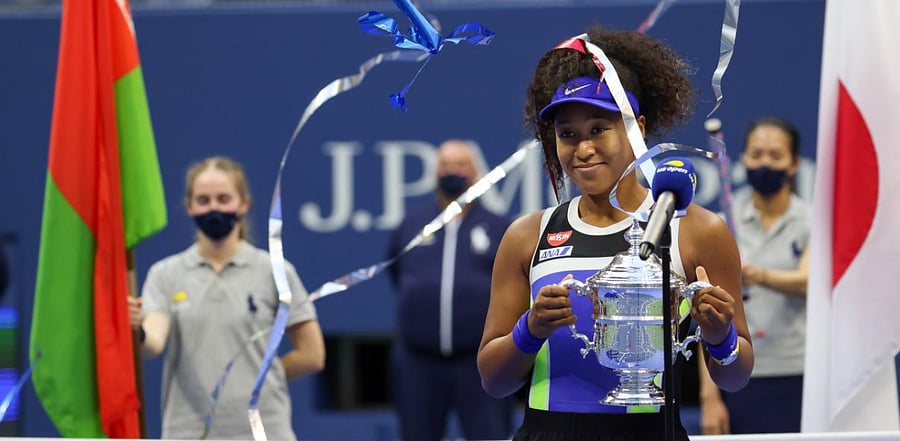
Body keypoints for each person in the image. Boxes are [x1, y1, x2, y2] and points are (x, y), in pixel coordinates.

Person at [476, 26, 755, 441]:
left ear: (636, 128)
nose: (582, 148)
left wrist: (720, 337)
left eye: (598, 129)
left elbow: (735, 378)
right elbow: (494, 382)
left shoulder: (698, 230)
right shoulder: (526, 236)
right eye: (567, 134)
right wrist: (530, 328)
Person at [128, 156, 325, 440]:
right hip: (190, 431)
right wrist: (138, 329)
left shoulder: (275, 271)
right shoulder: (166, 274)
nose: (214, 208)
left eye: (223, 198)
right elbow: (153, 344)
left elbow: (312, 355)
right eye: (204, 200)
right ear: (189, 206)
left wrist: (257, 377)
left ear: (243, 203)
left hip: (264, 430)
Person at [386, 139, 513, 441]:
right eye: (445, 165)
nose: (451, 171)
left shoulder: (498, 227)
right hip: (419, 361)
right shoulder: (412, 225)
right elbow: (396, 274)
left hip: (479, 361)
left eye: (460, 165)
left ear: (476, 173)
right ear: (434, 173)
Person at [698, 116, 810, 434]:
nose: (764, 162)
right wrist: (710, 397)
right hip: (739, 375)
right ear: (743, 159)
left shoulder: (812, 221)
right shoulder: (718, 227)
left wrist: (757, 275)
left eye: (775, 155)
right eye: (756, 154)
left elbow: (810, 282)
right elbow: (706, 318)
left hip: (801, 373)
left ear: (794, 163)